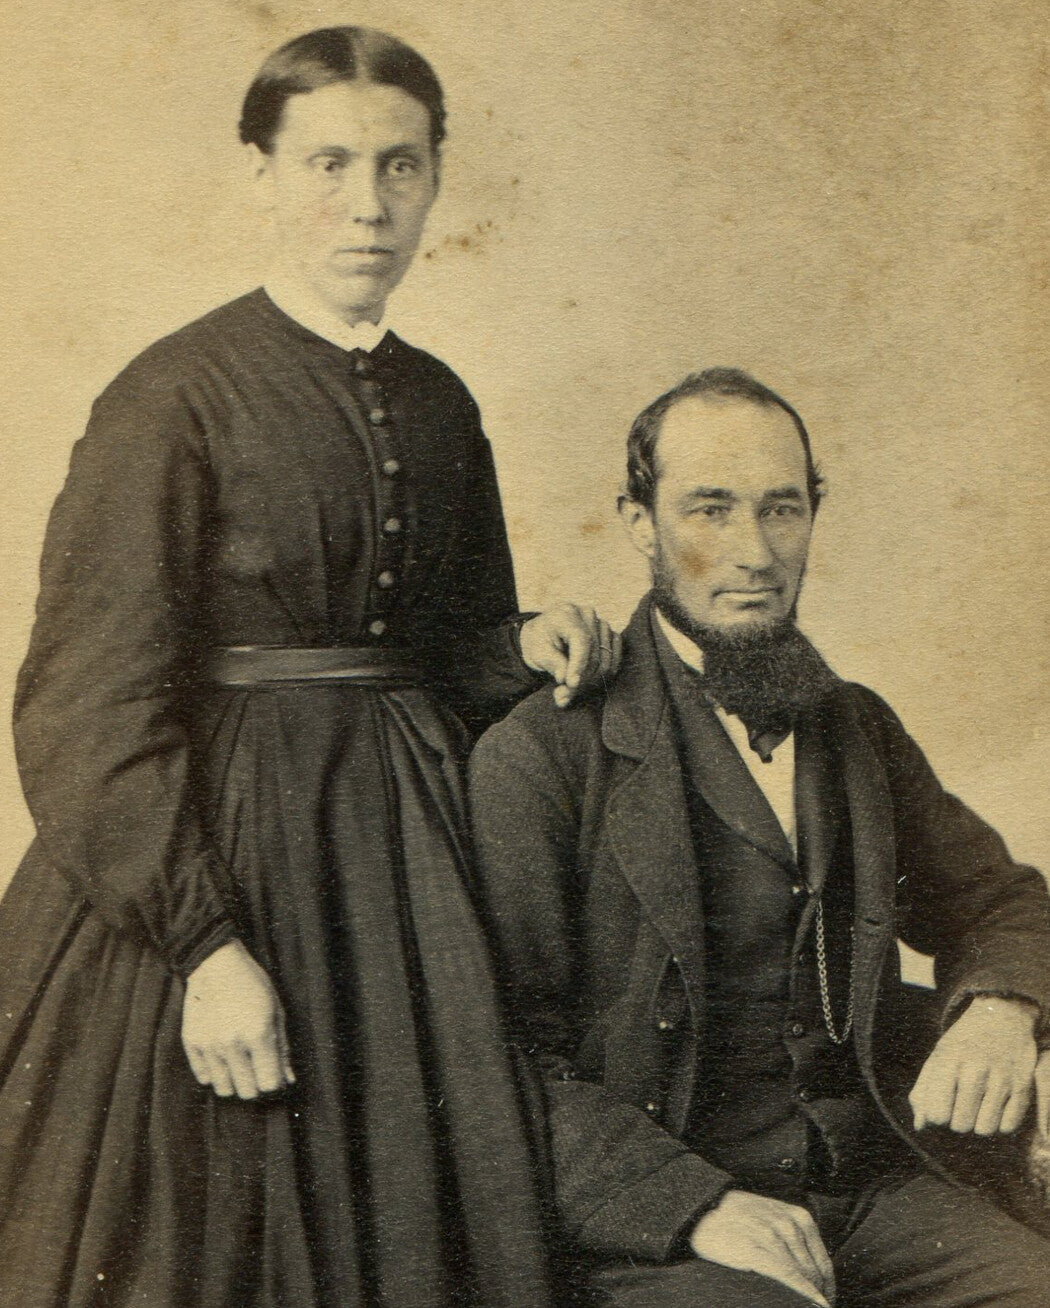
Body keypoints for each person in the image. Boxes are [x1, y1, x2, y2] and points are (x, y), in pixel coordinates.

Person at [0, 26, 620, 1308]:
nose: (367, 205)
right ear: (261, 178)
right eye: (328, 163)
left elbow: (443, 649)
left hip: (407, 873)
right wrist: (205, 948)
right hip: (207, 862)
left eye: (400, 167)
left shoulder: (443, 402)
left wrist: (518, 649)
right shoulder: (169, 398)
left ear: (438, 178)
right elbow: (83, 705)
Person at [468, 367, 1050, 1307]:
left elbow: (1000, 899)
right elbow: (496, 1054)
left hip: (862, 1190)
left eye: (782, 510)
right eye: (710, 510)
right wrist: (693, 1205)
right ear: (638, 523)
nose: (754, 551)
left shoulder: (854, 726)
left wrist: (1002, 1007)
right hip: (660, 1228)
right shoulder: (542, 757)